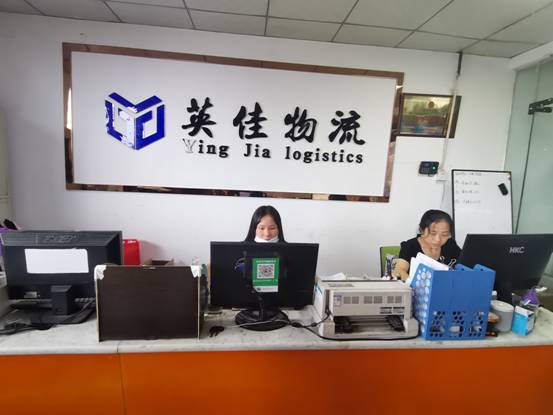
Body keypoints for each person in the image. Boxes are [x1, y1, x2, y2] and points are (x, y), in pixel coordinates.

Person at [392, 209, 460, 281]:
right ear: (421, 230)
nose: (438, 239)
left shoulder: (450, 244)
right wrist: (411, 282)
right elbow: (400, 270)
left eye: (444, 234)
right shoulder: (410, 246)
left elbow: (465, 265)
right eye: (433, 233)